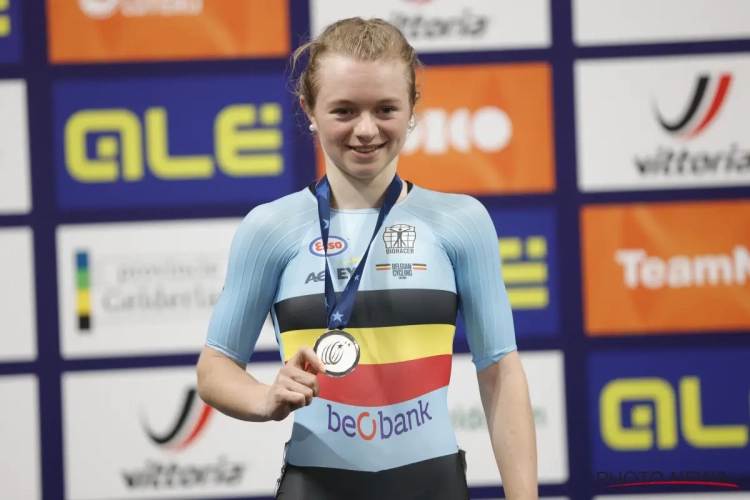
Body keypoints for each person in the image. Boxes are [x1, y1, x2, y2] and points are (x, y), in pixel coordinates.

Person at [196, 16, 538, 500]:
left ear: (412, 107)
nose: (365, 129)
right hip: (315, 485)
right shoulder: (270, 229)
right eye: (344, 110)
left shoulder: (462, 222)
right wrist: (265, 398)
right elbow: (215, 367)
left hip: (432, 485)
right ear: (309, 110)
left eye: (385, 109)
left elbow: (500, 370)